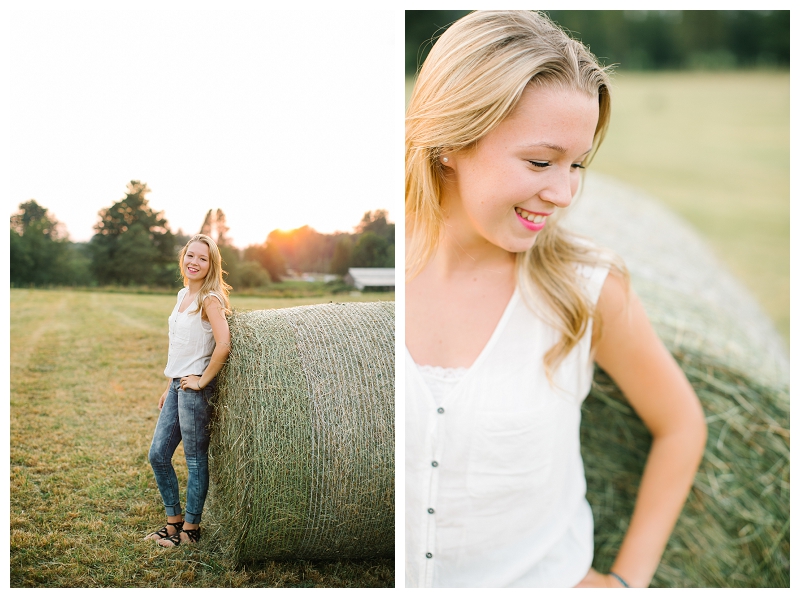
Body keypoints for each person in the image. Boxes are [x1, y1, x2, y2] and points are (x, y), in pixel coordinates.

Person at [405, 10, 707, 588]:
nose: (565, 192)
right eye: (541, 162)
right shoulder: (380, 283)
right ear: (449, 141)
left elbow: (682, 423)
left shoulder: (587, 288)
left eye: (577, 164)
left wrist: (625, 584)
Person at [144, 233, 231, 547]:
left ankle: (191, 530)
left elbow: (223, 344)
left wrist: (201, 381)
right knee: (158, 455)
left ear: (211, 265)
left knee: (195, 460)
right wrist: (170, 385)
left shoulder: (210, 299)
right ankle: (173, 523)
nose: (194, 262)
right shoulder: (183, 294)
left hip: (195, 390)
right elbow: (179, 346)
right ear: (183, 258)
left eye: (202, 258)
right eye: (190, 255)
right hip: (177, 385)